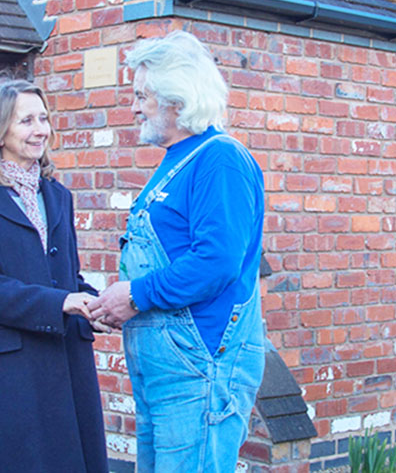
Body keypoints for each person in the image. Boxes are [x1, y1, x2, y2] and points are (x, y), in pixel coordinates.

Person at [89, 30, 267, 472]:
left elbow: (217, 261)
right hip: (166, 366)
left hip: (202, 364)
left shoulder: (219, 159)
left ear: (178, 98)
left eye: (142, 96)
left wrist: (133, 296)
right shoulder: (177, 159)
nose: (133, 106)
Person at [0, 77, 108, 473]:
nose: (40, 130)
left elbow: (66, 276)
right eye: (26, 121)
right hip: (7, 369)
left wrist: (97, 304)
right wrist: (62, 301)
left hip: (67, 361)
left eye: (44, 118)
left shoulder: (58, 195)